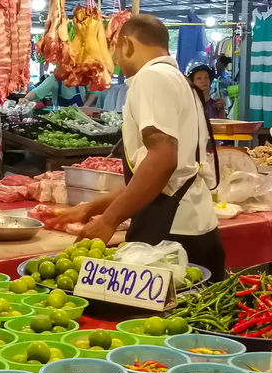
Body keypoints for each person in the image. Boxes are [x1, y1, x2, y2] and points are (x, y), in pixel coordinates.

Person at [53, 14, 224, 277]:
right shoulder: (180, 81)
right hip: (193, 227)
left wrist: (109, 220)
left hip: (168, 235)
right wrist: (91, 209)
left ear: (128, 44)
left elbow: (163, 159)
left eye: (115, 49)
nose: (115, 59)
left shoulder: (151, 78)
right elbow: (154, 175)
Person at [24, 72, 98, 109]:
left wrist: (85, 106)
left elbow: (93, 93)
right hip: (59, 118)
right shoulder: (55, 78)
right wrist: (26, 98)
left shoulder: (83, 76)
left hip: (80, 118)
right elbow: (37, 91)